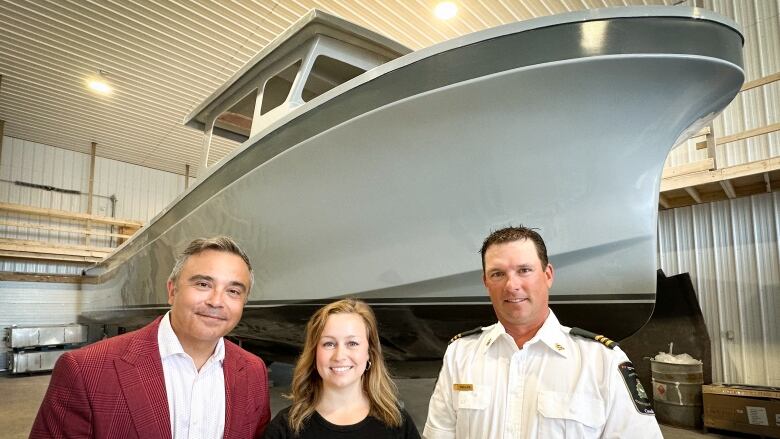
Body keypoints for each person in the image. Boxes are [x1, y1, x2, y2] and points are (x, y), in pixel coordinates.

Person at [423, 226, 662, 438]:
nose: (512, 285)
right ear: (486, 282)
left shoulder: (602, 362)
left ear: (548, 276)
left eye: (524, 270)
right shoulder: (460, 355)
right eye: (498, 274)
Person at [30, 236, 271, 439]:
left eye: (233, 291)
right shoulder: (85, 370)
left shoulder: (253, 371)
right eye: (203, 284)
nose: (217, 301)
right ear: (172, 290)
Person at [263, 298, 420, 438]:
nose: (339, 356)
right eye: (329, 344)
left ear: (369, 353)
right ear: (314, 353)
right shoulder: (285, 429)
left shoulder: (397, 424)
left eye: (352, 343)